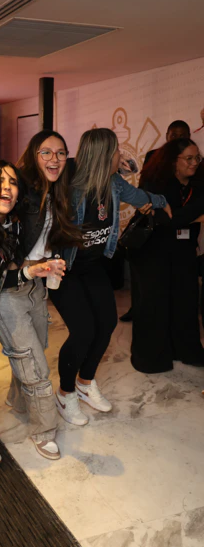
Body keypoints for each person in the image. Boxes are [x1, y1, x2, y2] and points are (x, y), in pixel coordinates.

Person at [50, 128, 168, 426]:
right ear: (103, 155)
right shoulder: (68, 184)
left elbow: (140, 196)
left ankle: (85, 383)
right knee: (83, 331)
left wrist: (160, 201)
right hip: (65, 269)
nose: (120, 155)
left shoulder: (114, 183)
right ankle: (65, 394)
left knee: (107, 324)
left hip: (93, 267)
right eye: (116, 150)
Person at [0, 154, 68, 461]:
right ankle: (44, 430)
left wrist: (35, 270)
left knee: (31, 355)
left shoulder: (15, 221)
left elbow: (6, 272)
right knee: (31, 367)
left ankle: (16, 403)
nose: (7, 187)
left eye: (12, 182)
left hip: (19, 292)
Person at [130, 138, 204, 372]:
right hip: (152, 252)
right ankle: (151, 358)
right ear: (174, 161)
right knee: (154, 304)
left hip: (184, 249)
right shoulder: (156, 182)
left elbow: (178, 217)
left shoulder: (198, 182)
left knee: (186, 301)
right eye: (189, 158)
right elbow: (169, 219)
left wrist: (183, 216)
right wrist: (192, 216)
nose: (194, 163)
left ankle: (186, 351)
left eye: (197, 157)